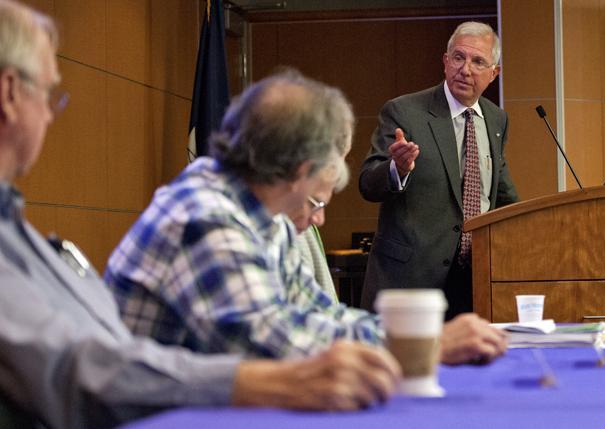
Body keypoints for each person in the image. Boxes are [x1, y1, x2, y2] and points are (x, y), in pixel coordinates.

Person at [0, 1, 402, 428]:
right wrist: (412, 342)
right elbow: (81, 370)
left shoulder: (13, 222)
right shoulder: (202, 216)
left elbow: (314, 314)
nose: (50, 112)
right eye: (48, 92)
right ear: (9, 93)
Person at [105, 66, 507, 363]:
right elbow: (276, 343)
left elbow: (320, 315)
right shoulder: (205, 217)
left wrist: (424, 335)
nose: (319, 220)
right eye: (318, 202)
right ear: (297, 171)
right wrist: (428, 345)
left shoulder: (265, 218)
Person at [359, 21, 519, 320]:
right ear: (446, 62)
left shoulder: (497, 120)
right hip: (411, 282)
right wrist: (398, 168)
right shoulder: (404, 111)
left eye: (478, 61)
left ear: (494, 73)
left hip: (475, 283)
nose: (465, 69)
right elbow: (368, 183)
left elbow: (500, 194)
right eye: (459, 57)